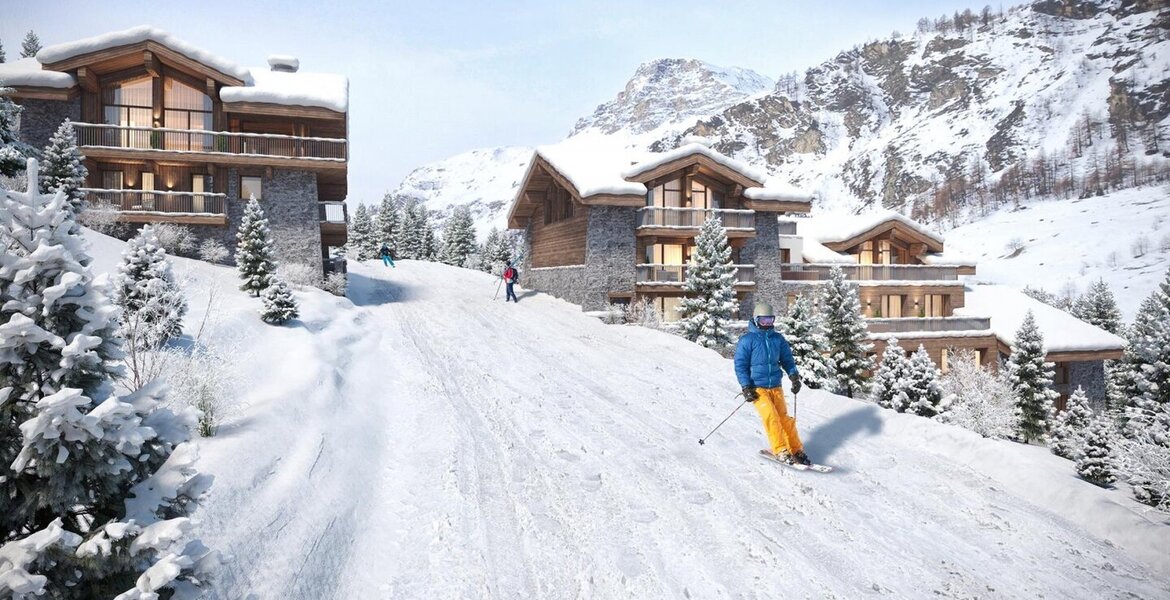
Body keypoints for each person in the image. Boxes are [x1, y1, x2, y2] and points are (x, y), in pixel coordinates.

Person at [734, 302, 809, 465]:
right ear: (755, 320)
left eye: (770, 320)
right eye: (764, 321)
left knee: (784, 419)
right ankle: (781, 449)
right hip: (757, 387)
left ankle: (796, 449)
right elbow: (740, 365)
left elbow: (787, 360)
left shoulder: (778, 339)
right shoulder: (747, 340)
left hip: (776, 385)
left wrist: (794, 376)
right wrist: (746, 386)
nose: (768, 324)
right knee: (771, 416)